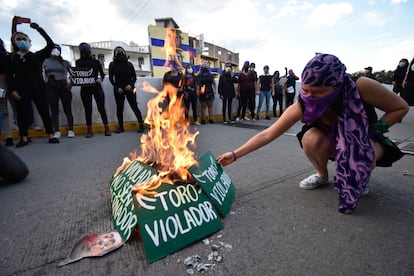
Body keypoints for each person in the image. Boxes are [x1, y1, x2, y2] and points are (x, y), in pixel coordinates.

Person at [217, 53, 408, 214]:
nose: (310, 97)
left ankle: (358, 175)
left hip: (365, 139)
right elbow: (267, 134)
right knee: (310, 138)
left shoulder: (361, 86)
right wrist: (234, 155)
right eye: (306, 91)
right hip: (330, 140)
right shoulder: (303, 103)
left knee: (363, 151)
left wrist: (369, 135)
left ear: (337, 84)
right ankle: (322, 175)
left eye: (317, 93)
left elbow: (400, 107)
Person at [8, 23, 59, 147]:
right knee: (22, 114)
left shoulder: (36, 56)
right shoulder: (12, 58)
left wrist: (39, 29)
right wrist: (13, 90)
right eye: (18, 39)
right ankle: (24, 138)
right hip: (21, 90)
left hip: (38, 88)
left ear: (29, 41)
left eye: (24, 39)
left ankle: (50, 135)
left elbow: (51, 44)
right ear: (14, 42)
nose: (21, 41)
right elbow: (10, 75)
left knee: (44, 112)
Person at [75, 42, 111, 138]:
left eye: (86, 49)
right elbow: (77, 74)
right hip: (85, 88)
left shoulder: (95, 61)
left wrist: (100, 80)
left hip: (96, 87)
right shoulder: (78, 62)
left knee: (101, 108)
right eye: (83, 49)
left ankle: (107, 128)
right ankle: (89, 130)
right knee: (88, 109)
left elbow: (102, 75)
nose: (85, 51)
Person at [109, 46, 144, 133]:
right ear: (114, 53)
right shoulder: (112, 64)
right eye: (117, 51)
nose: (119, 53)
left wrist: (130, 85)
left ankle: (141, 125)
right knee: (119, 108)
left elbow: (134, 77)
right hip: (118, 89)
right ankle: (121, 127)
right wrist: (117, 87)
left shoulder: (129, 64)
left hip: (129, 88)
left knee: (134, 106)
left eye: (121, 51)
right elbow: (111, 78)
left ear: (124, 52)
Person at [43, 44, 75, 138]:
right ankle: (56, 130)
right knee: (54, 109)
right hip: (51, 85)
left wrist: (71, 83)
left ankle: (71, 129)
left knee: (67, 108)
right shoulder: (45, 61)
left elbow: (74, 73)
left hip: (63, 85)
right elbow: (42, 74)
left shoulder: (65, 62)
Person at [0, 38, 14, 146]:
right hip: (10, 84)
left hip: (3, 85)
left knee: (4, 111)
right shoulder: (8, 55)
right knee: (15, 109)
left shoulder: (6, 55)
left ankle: (8, 136)